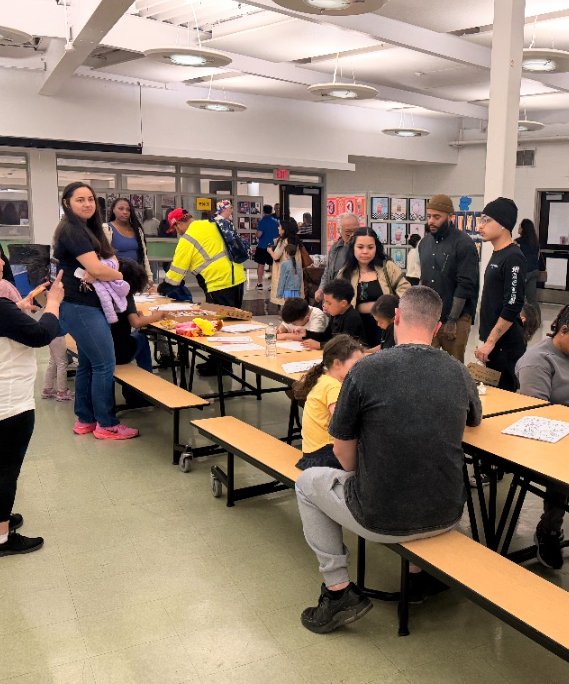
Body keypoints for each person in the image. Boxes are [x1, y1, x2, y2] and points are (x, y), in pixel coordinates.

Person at [295, 287, 482, 633]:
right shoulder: (458, 371)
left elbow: (343, 450)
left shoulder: (365, 371)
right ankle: (415, 577)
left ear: (396, 317)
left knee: (307, 483)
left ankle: (337, 591)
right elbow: (474, 420)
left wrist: (352, 475)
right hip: (447, 513)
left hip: (382, 519)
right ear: (438, 327)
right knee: (418, 471)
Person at [53, 182, 139, 440]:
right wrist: (120, 273)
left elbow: (100, 265)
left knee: (88, 364)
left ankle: (86, 420)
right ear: (67, 203)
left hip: (83, 304)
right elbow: (99, 269)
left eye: (90, 199)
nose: (87, 204)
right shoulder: (72, 229)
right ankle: (107, 424)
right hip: (80, 306)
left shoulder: (85, 229)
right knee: (105, 364)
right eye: (80, 200)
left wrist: (103, 270)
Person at [0, 266, 65, 556]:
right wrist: (53, 303)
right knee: (5, 470)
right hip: (8, 401)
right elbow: (40, 335)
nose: (2, 264)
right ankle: (2, 537)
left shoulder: (4, 309)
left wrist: (19, 308)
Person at [158, 207, 246, 376]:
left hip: (218, 283)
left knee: (219, 325)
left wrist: (160, 289)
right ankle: (219, 361)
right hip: (238, 277)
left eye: (175, 228)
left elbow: (174, 277)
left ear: (178, 224)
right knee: (231, 323)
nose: (177, 232)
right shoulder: (211, 224)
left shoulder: (187, 239)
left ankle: (222, 366)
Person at [516, 304, 569, 570]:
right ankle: (549, 529)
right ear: (563, 330)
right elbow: (536, 421)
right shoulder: (537, 361)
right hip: (545, 444)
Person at [418, 194, 480, 363]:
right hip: (430, 318)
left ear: (450, 217)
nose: (431, 221)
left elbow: (465, 285)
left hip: (457, 318)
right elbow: (424, 281)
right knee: (425, 365)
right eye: (429, 216)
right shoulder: (424, 243)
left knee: (453, 367)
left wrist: (452, 320)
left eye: (437, 217)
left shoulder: (464, 244)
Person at [475, 198, 526, 392]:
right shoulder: (498, 253)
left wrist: (490, 343)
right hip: (495, 342)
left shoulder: (513, 256)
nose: (481, 226)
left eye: (486, 220)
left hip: (506, 344)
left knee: (504, 397)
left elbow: (512, 304)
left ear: (504, 224)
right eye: (481, 220)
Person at [293, 336, 364, 471]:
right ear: (337, 364)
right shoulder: (333, 387)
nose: (360, 370)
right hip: (324, 455)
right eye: (356, 365)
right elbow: (342, 422)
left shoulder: (323, 379)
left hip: (312, 452)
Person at [338, 227, 410, 347]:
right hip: (357, 329)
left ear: (376, 248)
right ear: (353, 248)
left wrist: (392, 309)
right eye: (360, 247)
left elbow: (406, 292)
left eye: (370, 247)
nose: (365, 251)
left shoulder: (388, 267)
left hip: (386, 327)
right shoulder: (345, 273)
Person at [112, 259, 167, 374]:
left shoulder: (109, 291)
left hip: (104, 349)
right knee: (141, 338)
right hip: (119, 353)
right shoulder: (126, 294)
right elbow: (136, 323)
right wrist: (157, 315)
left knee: (135, 336)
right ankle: (146, 377)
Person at [103, 198, 154, 289]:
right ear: (113, 209)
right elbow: (103, 255)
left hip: (136, 277)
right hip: (116, 278)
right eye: (121, 209)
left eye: (128, 210)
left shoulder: (136, 230)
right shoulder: (107, 228)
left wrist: (149, 277)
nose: (125, 212)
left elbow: (143, 255)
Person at [301, 279, 364, 350]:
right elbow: (326, 336)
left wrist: (320, 345)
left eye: (329, 303)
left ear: (343, 303)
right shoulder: (336, 313)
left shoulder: (352, 317)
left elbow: (344, 345)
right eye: (325, 301)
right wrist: (306, 333)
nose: (325, 305)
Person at [315, 212, 359, 303]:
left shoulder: (363, 250)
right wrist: (321, 289)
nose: (352, 235)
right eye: (348, 232)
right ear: (340, 231)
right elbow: (328, 271)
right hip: (335, 298)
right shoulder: (335, 248)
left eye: (356, 231)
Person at [268, 218, 303, 306]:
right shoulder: (296, 241)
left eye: (280, 227)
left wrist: (270, 251)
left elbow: (276, 256)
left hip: (284, 272)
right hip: (295, 274)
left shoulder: (283, 241)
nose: (278, 228)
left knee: (285, 299)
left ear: (284, 229)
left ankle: (286, 315)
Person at [516, 218, 541, 326]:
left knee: (518, 297)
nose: (518, 228)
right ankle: (537, 321)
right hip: (534, 271)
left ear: (523, 228)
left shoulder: (518, 242)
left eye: (520, 226)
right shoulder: (535, 242)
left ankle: (520, 320)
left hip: (523, 272)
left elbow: (515, 257)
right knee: (532, 298)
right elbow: (538, 256)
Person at [41, 334, 74, 402]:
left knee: (53, 362)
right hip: (59, 336)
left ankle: (48, 389)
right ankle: (62, 392)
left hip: (52, 336)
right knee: (62, 363)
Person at [254, 204, 279, 290]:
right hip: (273, 247)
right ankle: (272, 285)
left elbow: (259, 234)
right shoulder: (276, 222)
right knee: (273, 265)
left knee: (261, 264)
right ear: (272, 211)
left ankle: (260, 283)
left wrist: (256, 234)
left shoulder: (262, 221)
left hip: (262, 246)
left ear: (263, 211)